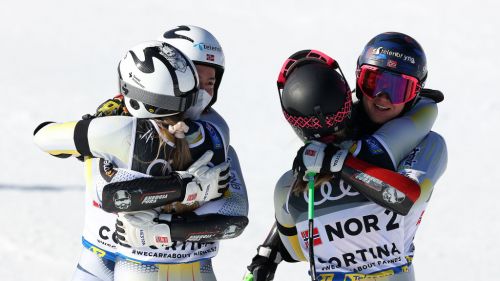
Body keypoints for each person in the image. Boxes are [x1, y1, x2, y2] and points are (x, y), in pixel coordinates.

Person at [34, 40, 248, 281]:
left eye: (210, 83)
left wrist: (88, 128)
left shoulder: (117, 128)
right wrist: (183, 197)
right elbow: (234, 218)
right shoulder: (216, 133)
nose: (202, 93)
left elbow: (114, 197)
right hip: (127, 259)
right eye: (195, 78)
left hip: (126, 262)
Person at [245, 33, 447, 281]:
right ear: (357, 79)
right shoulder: (338, 126)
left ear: (416, 92)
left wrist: (341, 163)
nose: (382, 97)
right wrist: (269, 252)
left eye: (398, 89)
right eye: (373, 82)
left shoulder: (430, 144)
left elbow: (404, 199)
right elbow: (294, 243)